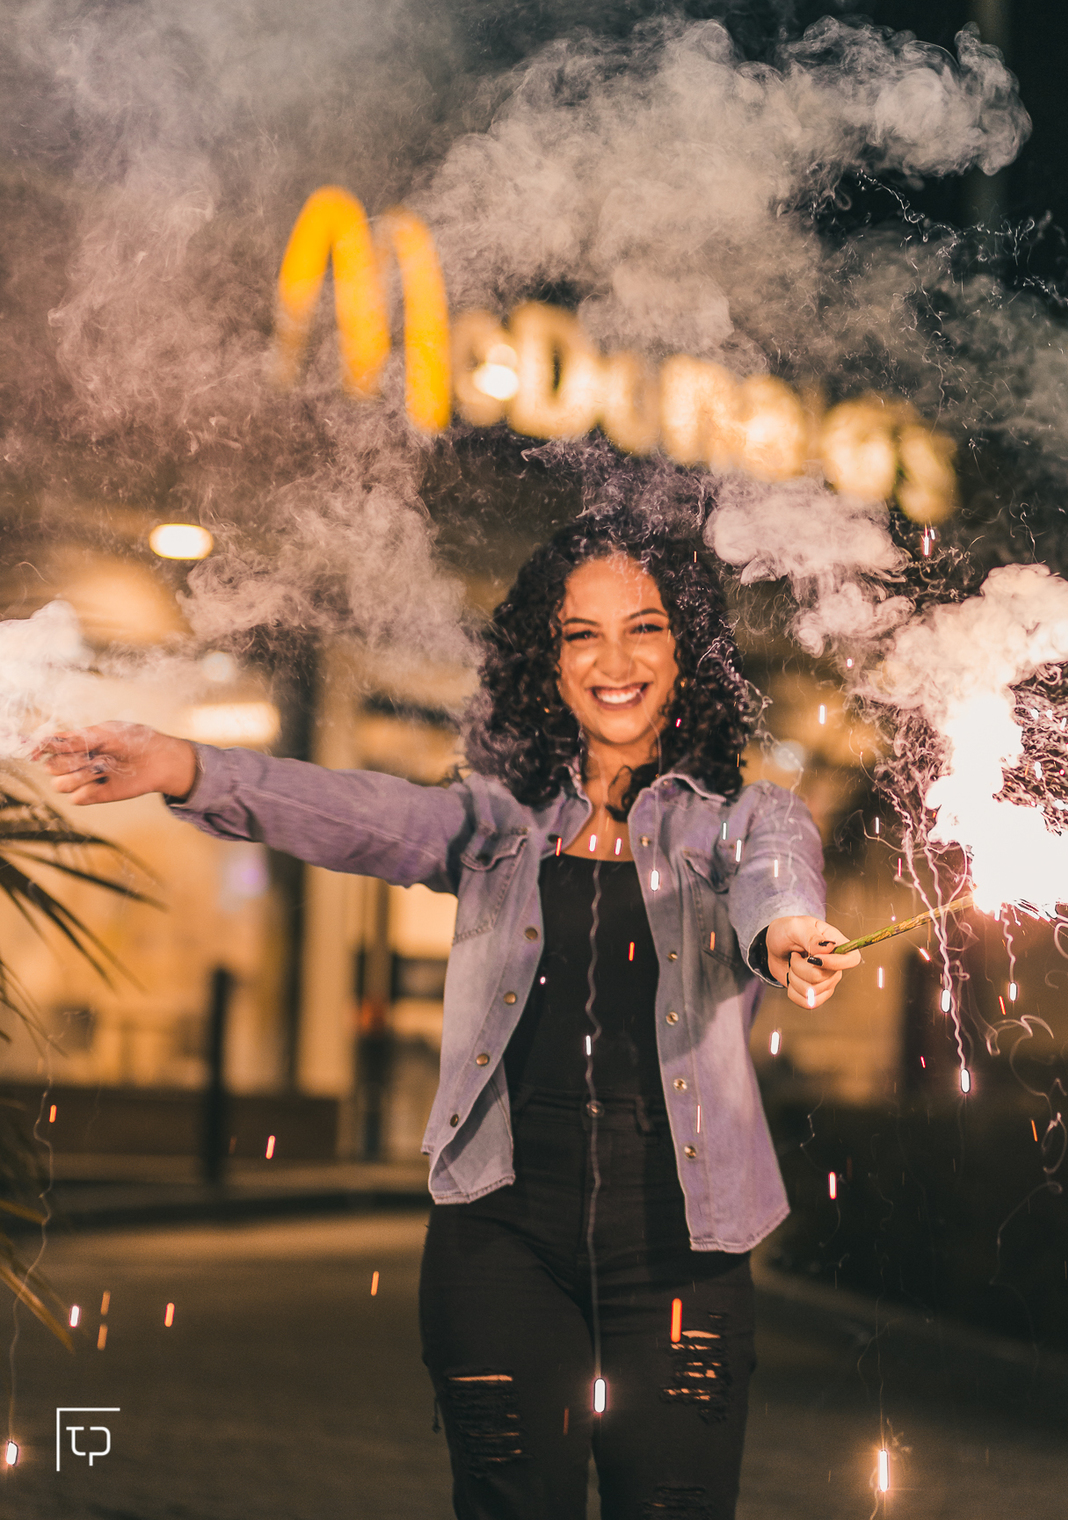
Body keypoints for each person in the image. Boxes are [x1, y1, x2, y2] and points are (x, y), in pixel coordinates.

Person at [38, 508, 861, 1520]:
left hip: (683, 1249)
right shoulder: (497, 819)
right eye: (580, 633)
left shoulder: (747, 816)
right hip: (501, 1237)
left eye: (644, 626)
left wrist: (788, 935)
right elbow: (361, 815)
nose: (615, 659)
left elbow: (778, 882)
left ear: (687, 648)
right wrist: (190, 768)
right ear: (546, 660)